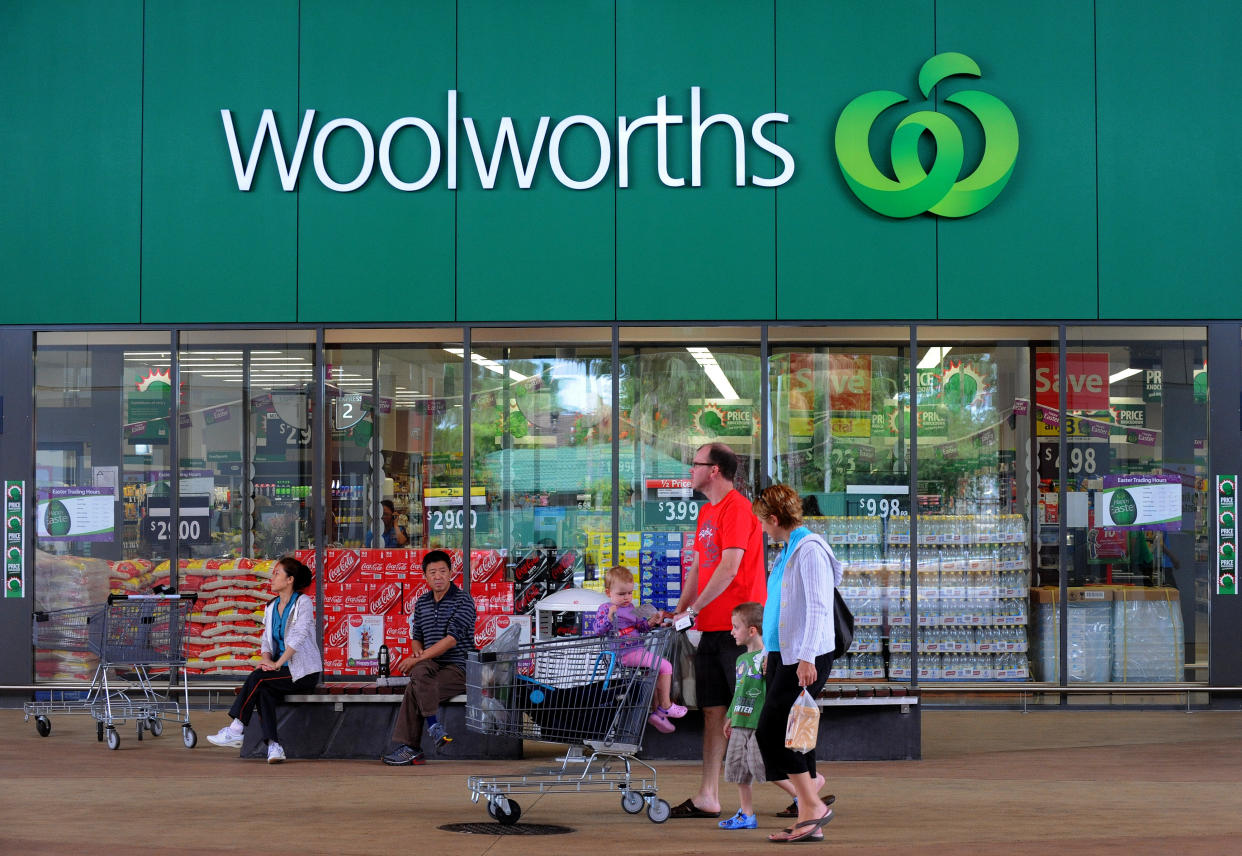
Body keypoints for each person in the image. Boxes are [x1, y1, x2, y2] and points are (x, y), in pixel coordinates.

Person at [669, 442, 767, 819]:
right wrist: (679, 610)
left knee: (754, 713)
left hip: (739, 630)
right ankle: (708, 795)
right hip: (711, 627)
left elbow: (728, 568)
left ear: (714, 470)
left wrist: (692, 609)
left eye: (695, 464)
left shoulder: (738, 509)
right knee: (713, 712)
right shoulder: (707, 512)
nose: (689, 470)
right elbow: (700, 566)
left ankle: (802, 785)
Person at [752, 483, 840, 843]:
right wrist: (766, 653)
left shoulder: (809, 551)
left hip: (805, 655)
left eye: (762, 522)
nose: (762, 528)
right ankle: (808, 815)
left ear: (774, 518)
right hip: (782, 655)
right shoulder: (786, 550)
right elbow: (779, 607)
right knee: (798, 734)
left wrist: (806, 658)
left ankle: (812, 804)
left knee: (772, 731)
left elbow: (819, 607)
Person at [206, 555, 322, 763]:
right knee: (263, 691)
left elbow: (299, 636)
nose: (272, 577)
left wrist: (276, 664)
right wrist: (266, 659)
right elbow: (266, 642)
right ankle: (274, 747)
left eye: (277, 573)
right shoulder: (270, 607)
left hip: (303, 672)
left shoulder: (302, 603)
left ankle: (236, 727)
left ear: (290, 580)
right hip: (279, 673)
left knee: (258, 679)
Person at [381, 549, 476, 766]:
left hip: (458, 667)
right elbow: (417, 637)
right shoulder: (422, 602)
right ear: (425, 576)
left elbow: (451, 640)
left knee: (415, 685)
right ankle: (433, 728)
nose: (438, 576)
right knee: (420, 673)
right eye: (432, 572)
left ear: (451, 573)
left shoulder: (464, 601)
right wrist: (417, 653)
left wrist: (416, 659)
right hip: (430, 666)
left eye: (442, 571)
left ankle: (413, 747)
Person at [592, 565, 687, 733]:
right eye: (621, 594)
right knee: (666, 666)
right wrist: (609, 617)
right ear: (608, 593)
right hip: (625, 653)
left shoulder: (630, 608)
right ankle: (666, 705)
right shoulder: (605, 609)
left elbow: (640, 627)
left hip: (638, 650)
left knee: (656, 672)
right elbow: (598, 630)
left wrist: (651, 622)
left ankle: (658, 713)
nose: (626, 597)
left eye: (629, 593)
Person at [718, 601, 767, 830]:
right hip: (740, 720)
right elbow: (739, 691)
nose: (731, 632)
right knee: (738, 769)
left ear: (752, 630)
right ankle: (746, 814)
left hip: (758, 722)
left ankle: (804, 794)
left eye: (735, 627)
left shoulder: (767, 658)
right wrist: (730, 715)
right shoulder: (740, 660)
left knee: (765, 767)